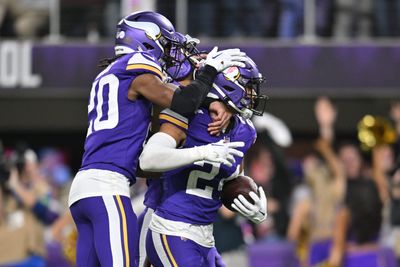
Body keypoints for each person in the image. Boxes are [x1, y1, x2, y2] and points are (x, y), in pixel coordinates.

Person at [68, 11, 247, 267]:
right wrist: (208, 74)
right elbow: (183, 102)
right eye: (165, 43)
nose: (168, 53)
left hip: (83, 189)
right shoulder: (138, 65)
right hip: (108, 188)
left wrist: (201, 84)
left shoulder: (112, 75)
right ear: (147, 41)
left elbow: (146, 157)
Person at [140, 57, 268, 266]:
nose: (253, 95)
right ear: (229, 85)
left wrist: (251, 206)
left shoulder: (244, 131)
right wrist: (202, 152)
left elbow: (232, 179)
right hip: (171, 226)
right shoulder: (188, 116)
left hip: (206, 236)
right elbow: (148, 159)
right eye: (248, 87)